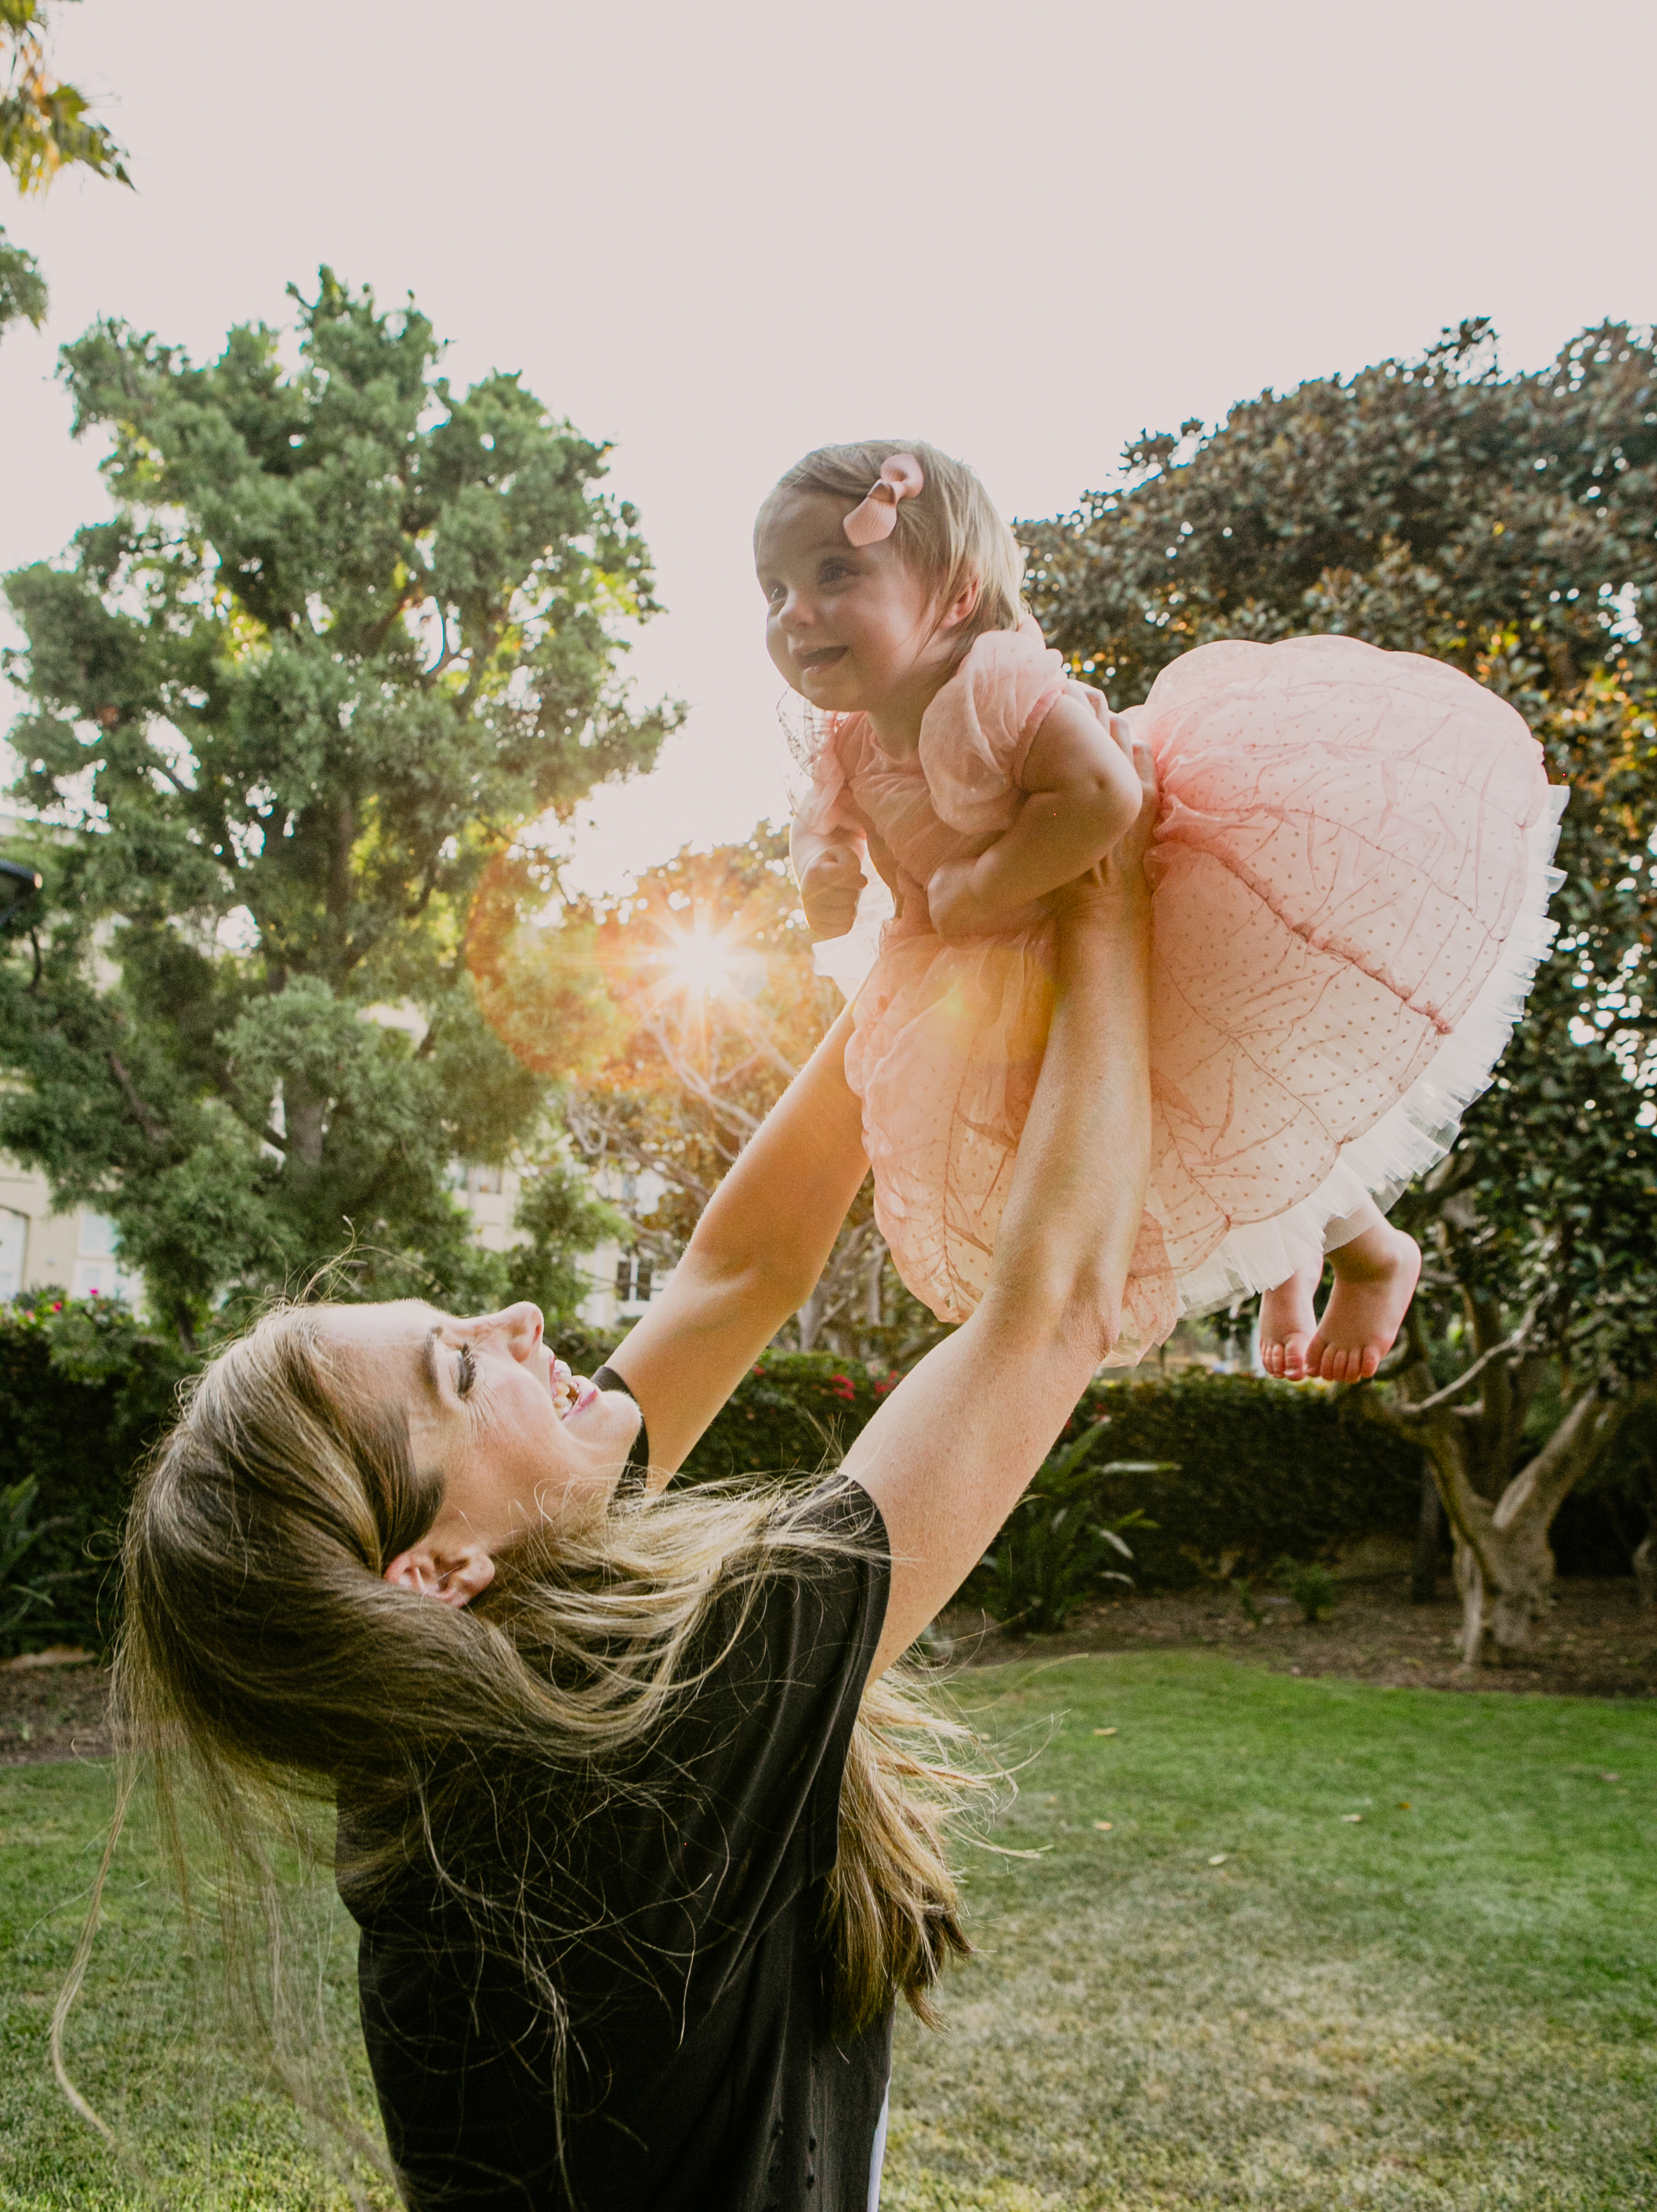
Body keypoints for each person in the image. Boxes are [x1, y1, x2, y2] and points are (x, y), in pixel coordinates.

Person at [81, 727, 1159, 2212]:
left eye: (464, 1321)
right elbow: (1053, 1314)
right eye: (464, 1372)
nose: (522, 1323)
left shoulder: (485, 1697)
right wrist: (1102, 888)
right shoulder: (643, 1756)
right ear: (432, 1573)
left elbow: (740, 1271)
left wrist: (916, 956)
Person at [757, 438, 1566, 1384]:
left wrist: (986, 885)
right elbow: (825, 819)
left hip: (1126, 947)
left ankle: (1372, 1252)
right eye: (774, 590)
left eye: (834, 573)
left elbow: (1100, 796)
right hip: (997, 984)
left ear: (959, 594)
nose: (794, 612)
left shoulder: (1002, 694)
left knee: (1229, 1115)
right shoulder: (847, 741)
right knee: (1137, 1165)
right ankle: (1287, 1268)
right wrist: (823, 867)